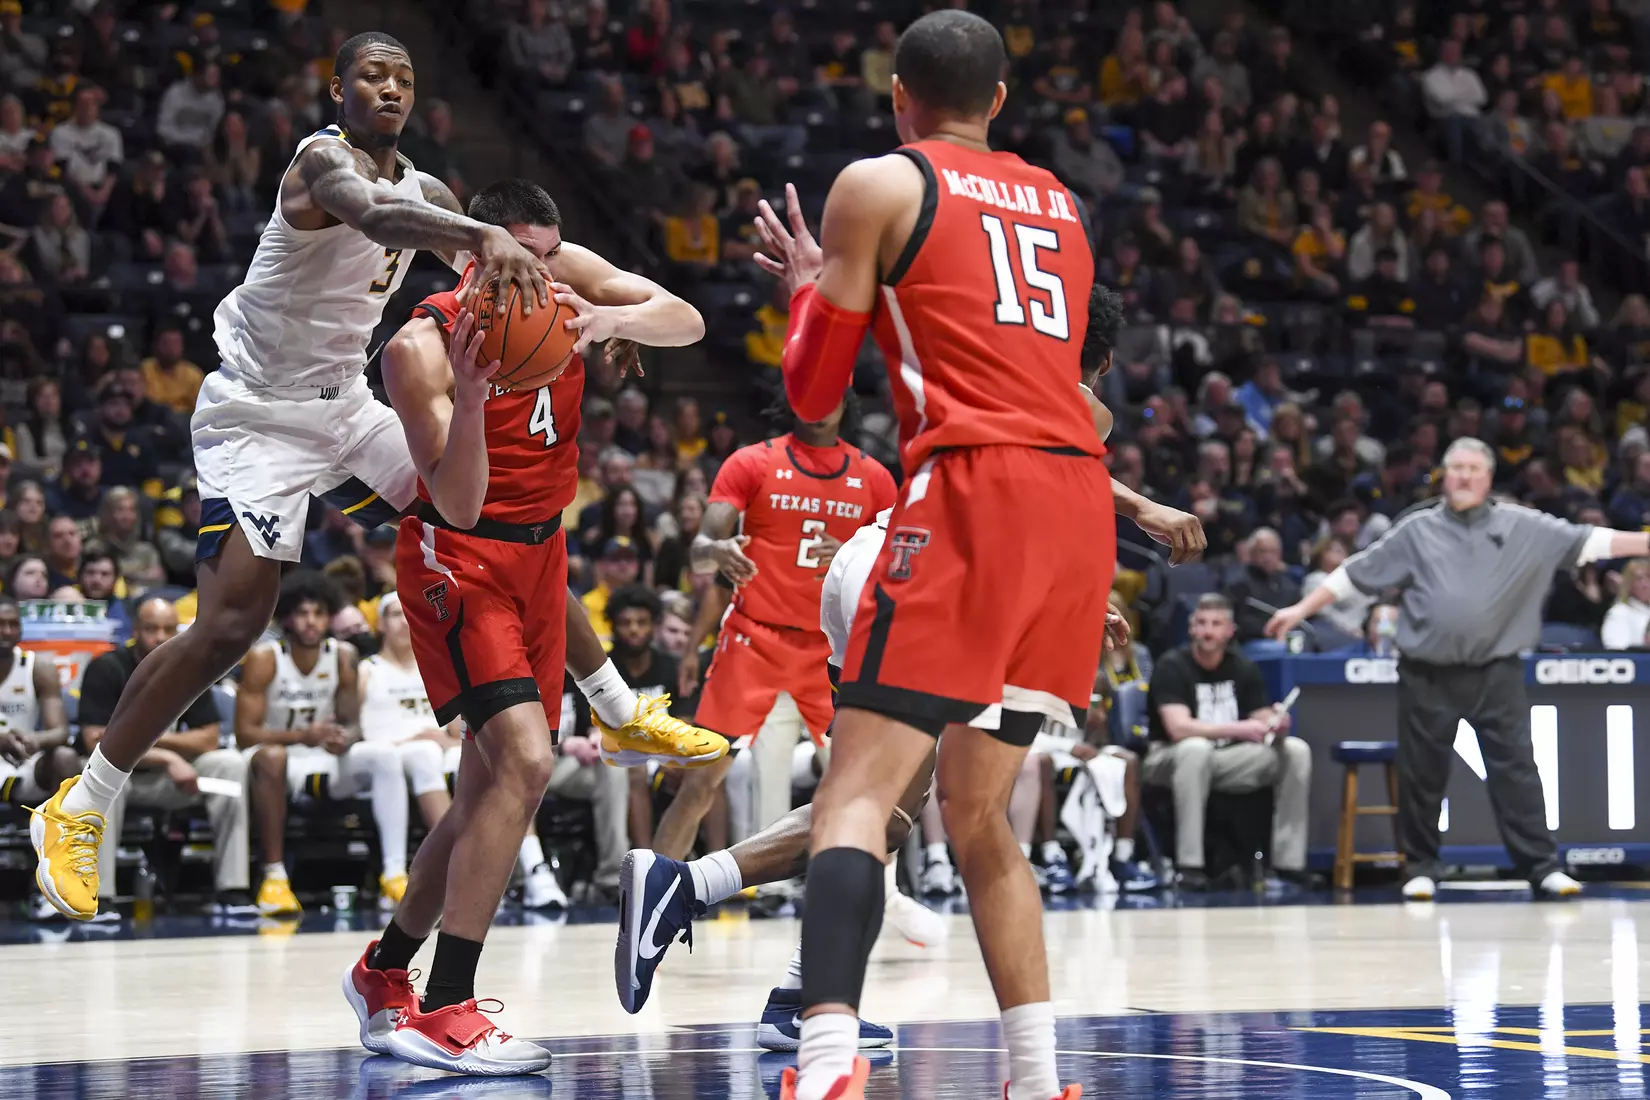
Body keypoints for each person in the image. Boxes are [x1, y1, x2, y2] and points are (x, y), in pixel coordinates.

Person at [764, 21, 1212, 1074]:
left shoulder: (876, 184)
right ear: (1000, 100)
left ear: (896, 95)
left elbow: (811, 391)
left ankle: (826, 1058)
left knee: (856, 797)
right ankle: (1043, 1077)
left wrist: (807, 286)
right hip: (1075, 508)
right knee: (978, 814)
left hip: (974, 488)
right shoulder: (1060, 200)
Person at [30, 31, 549, 922]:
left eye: (405, 78)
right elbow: (384, 221)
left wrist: (580, 319)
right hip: (258, 412)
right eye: (373, 76)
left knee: (487, 510)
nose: (390, 89)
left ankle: (610, 700)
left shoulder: (427, 189)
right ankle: (83, 802)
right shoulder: (318, 165)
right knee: (234, 621)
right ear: (338, 87)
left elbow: (483, 274)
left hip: (343, 402)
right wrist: (481, 233)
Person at [612, 284, 1201, 1063]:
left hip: (871, 566)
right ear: (1096, 359)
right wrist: (1145, 512)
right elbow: (1059, 490)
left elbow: (1015, 500)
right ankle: (709, 914)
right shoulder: (1072, 397)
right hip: (918, 579)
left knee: (878, 814)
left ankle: (781, 979)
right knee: (928, 813)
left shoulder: (983, 365)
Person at [344, 178, 723, 1075]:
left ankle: (384, 970)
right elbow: (461, 500)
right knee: (525, 762)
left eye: (553, 259)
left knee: (484, 795)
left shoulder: (562, 285)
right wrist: (474, 396)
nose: (546, 279)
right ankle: (448, 1007)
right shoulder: (421, 348)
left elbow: (688, 319)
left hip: (543, 556)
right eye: (526, 261)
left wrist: (604, 321)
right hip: (460, 559)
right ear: (475, 256)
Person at [1265, 437, 1650, 900]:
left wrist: (1645, 541)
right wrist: (1298, 610)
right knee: (1422, 774)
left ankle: (1543, 867)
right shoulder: (1416, 530)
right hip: (1427, 671)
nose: (1464, 476)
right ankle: (1422, 869)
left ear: (1488, 478)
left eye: (1473, 468)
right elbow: (1354, 573)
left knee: (1518, 772)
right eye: (1455, 468)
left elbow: (1593, 542)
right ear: (1444, 477)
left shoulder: (1524, 526)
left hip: (1496, 670)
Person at [644, 397, 896, 863]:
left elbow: (899, 565)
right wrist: (717, 553)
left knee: (872, 786)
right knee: (701, 781)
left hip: (831, 650)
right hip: (753, 639)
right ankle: (650, 893)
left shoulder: (876, 478)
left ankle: (877, 899)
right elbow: (698, 548)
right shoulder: (753, 461)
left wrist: (852, 554)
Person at [236, 572, 415, 916]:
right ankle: (274, 878)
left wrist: (343, 736)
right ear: (288, 616)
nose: (311, 622)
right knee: (272, 757)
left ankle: (394, 875)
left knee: (383, 755)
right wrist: (301, 736)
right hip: (275, 760)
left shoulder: (342, 655)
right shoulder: (266, 658)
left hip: (321, 759)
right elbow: (246, 733)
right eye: (302, 613)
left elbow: (352, 722)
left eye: (318, 614)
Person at [81, 597, 255, 916]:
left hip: (168, 782)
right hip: (122, 777)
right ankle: (98, 897)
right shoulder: (107, 667)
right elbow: (95, 739)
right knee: (100, 781)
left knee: (229, 765)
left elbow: (208, 737)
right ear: (135, 630)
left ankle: (234, 889)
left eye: (168, 629)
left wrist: (155, 742)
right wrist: (167, 758)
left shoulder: (189, 668)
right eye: (151, 629)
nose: (160, 638)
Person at [1142, 593, 1311, 891]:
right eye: (1202, 623)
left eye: (1216, 624)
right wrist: (1239, 729)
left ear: (1229, 631)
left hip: (1227, 760)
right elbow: (1178, 728)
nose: (1208, 631)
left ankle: (1288, 865)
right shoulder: (1172, 665)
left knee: (1296, 751)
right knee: (1195, 749)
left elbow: (1260, 719)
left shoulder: (1242, 667)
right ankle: (1190, 867)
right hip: (1168, 759)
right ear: (1191, 628)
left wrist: (1275, 723)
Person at [1602, 559, 1650, 650]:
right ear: (1629, 584)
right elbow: (1617, 651)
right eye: (1639, 579)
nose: (1645, 584)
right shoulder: (1620, 613)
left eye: (1649, 577)